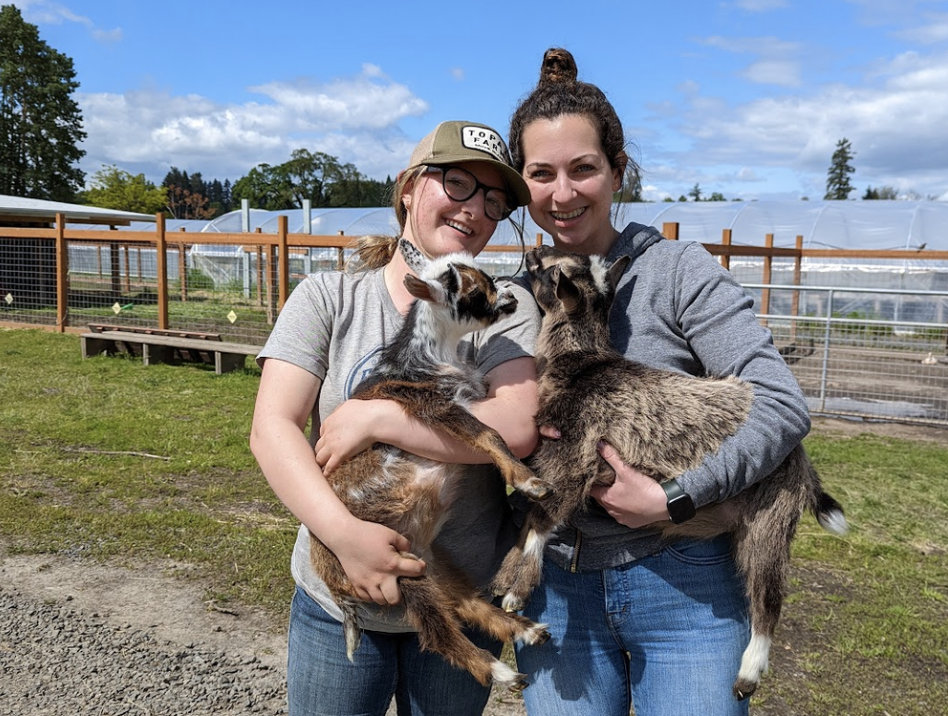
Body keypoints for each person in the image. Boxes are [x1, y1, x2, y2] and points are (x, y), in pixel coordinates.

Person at [506, 48, 813, 716]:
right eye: (542, 173)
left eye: (584, 169)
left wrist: (676, 496)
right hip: (555, 588)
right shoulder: (514, 293)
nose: (563, 194)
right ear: (521, 182)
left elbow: (782, 403)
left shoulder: (675, 271)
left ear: (618, 171)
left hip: (683, 584)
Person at [249, 120, 540, 716]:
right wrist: (346, 536)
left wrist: (378, 418)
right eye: (457, 183)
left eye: (494, 200)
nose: (475, 210)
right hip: (339, 603)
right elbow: (271, 427)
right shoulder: (330, 297)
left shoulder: (500, 308)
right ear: (409, 188)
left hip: (458, 593)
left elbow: (515, 429)